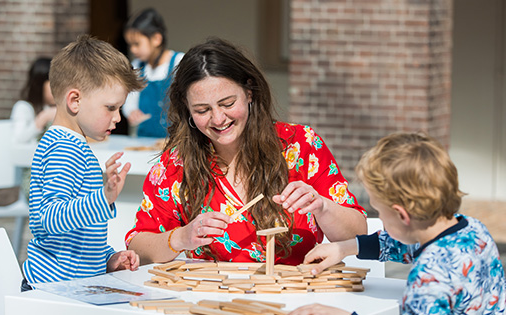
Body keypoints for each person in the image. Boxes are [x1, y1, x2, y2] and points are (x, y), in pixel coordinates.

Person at [126, 38, 367, 265]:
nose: (218, 118)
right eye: (202, 110)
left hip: (296, 299)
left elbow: (359, 233)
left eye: (228, 104)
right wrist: (180, 238)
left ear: (249, 92)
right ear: (187, 109)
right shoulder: (177, 164)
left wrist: (322, 207)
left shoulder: (301, 145)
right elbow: (137, 245)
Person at [290, 133, 506, 315]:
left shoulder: (428, 277)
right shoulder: (473, 230)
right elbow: (404, 245)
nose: (380, 219)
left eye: (380, 211)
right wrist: (344, 248)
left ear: (402, 215)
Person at [21, 35, 145, 290]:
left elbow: (78, 234)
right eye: (110, 107)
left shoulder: (72, 145)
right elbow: (49, 219)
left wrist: (108, 258)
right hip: (53, 289)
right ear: (75, 100)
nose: (117, 118)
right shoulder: (63, 149)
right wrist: (104, 197)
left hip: (70, 284)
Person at [122, 7, 184, 138]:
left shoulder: (180, 62)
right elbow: (129, 100)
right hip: (145, 140)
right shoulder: (137, 66)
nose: (133, 49)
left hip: (174, 141)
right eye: (130, 45)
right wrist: (132, 112)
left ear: (156, 39)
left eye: (137, 44)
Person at [10, 57, 57, 145]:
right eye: (54, 85)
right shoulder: (23, 107)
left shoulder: (54, 108)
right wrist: (43, 118)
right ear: (39, 85)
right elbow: (18, 139)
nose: (59, 91)